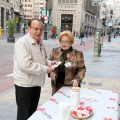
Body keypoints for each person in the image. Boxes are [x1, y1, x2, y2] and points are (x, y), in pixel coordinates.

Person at [13, 18, 57, 120]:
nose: (39, 32)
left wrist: (50, 63)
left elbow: (42, 59)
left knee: (32, 113)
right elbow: (26, 65)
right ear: (29, 28)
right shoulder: (22, 43)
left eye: (41, 29)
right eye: (36, 29)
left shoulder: (40, 42)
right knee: (23, 115)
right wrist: (46, 69)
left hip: (36, 83)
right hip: (24, 85)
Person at [49, 31, 86, 95]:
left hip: (71, 86)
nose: (63, 44)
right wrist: (50, 72)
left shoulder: (78, 54)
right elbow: (49, 64)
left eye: (66, 42)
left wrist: (77, 79)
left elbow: (82, 70)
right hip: (56, 85)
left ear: (71, 42)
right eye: (62, 41)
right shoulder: (54, 51)